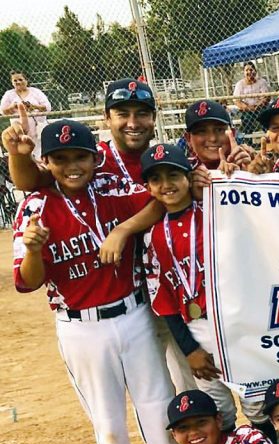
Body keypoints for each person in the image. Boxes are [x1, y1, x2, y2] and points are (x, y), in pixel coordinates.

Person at [12, 120, 176, 444]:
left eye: (80, 157)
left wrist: (123, 229)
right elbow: (27, 281)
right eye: (62, 158)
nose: (73, 166)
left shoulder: (108, 190)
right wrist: (33, 250)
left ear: (94, 158)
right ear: (46, 163)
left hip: (134, 313)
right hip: (81, 326)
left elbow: (156, 201)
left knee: (157, 403)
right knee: (106, 417)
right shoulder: (35, 208)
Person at [2, 78, 198, 395]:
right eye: (122, 113)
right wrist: (17, 155)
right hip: (127, 290)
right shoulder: (91, 160)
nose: (132, 123)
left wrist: (124, 229)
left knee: (191, 380)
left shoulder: (166, 160)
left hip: (176, 284)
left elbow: (172, 200)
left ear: (154, 117)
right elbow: (35, 180)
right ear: (107, 119)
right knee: (155, 391)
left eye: (142, 113)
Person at [135, 142, 272, 436]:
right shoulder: (153, 236)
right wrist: (190, 350)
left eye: (174, 175)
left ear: (189, 177)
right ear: (147, 187)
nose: (166, 185)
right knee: (218, 407)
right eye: (156, 179)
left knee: (257, 403)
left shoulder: (216, 214)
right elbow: (165, 302)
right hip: (196, 328)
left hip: (237, 323)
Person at [0, 71, 50, 158]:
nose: (18, 82)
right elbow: (3, 111)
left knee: (40, 152)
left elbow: (47, 107)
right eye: (15, 80)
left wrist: (32, 106)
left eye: (20, 79)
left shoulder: (35, 92)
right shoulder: (9, 94)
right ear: (12, 82)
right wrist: (13, 107)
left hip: (37, 127)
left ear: (26, 81)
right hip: (20, 129)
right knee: (25, 153)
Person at [233, 62, 270, 146]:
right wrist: (247, 107)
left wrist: (258, 105)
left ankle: (268, 140)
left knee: (265, 116)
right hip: (247, 110)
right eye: (247, 70)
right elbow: (236, 101)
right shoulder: (240, 84)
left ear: (255, 71)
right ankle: (248, 144)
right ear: (243, 72)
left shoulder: (261, 82)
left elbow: (266, 97)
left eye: (251, 69)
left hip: (260, 108)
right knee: (246, 119)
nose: (249, 72)